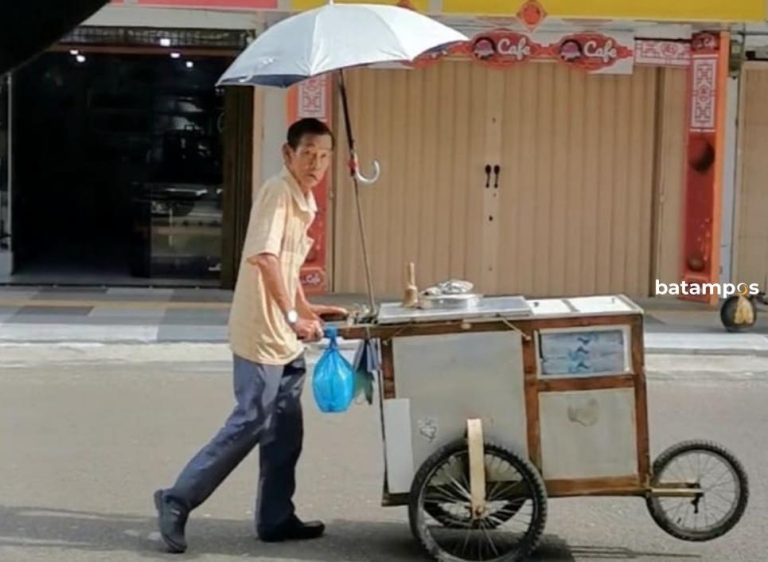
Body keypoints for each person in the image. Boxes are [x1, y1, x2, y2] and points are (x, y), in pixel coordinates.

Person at [153, 117, 347, 553]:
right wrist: (294, 314)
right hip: (262, 330)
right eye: (307, 154)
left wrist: (307, 308)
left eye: (323, 156)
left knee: (286, 430)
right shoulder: (277, 192)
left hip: (285, 333)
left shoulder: (303, 198)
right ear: (287, 154)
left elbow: (289, 262)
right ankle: (176, 498)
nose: (316, 163)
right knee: (251, 421)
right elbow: (264, 257)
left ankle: (276, 517)